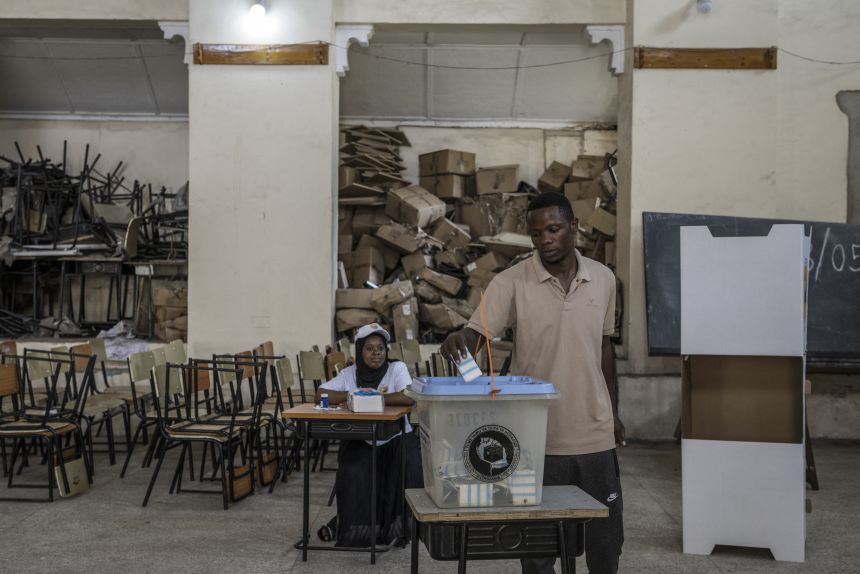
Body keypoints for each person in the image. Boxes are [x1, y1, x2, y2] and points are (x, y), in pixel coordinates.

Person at [441, 192, 625, 574]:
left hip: (594, 434)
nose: (545, 240)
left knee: (605, 545)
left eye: (554, 230)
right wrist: (461, 341)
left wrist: (614, 412)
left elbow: (604, 349)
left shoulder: (604, 279)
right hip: (533, 437)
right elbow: (478, 336)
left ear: (574, 228)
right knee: (539, 550)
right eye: (536, 233)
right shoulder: (510, 282)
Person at [314, 323, 423, 547]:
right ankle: (354, 529)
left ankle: (394, 529)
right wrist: (353, 393)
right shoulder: (349, 374)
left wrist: (368, 398)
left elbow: (408, 397)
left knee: (408, 465)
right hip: (362, 438)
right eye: (370, 349)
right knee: (352, 471)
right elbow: (320, 393)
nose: (376, 354)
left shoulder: (396, 368)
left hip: (396, 436)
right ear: (360, 352)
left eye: (380, 348)